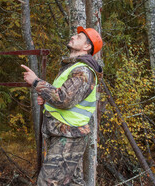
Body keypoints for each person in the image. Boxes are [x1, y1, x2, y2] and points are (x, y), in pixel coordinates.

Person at [21, 26, 103, 186]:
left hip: (69, 136)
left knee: (47, 182)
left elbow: (63, 98)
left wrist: (37, 82)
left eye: (79, 37)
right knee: (73, 183)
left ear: (87, 47)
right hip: (65, 134)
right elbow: (65, 97)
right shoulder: (72, 67)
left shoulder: (83, 71)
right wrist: (47, 99)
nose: (73, 37)